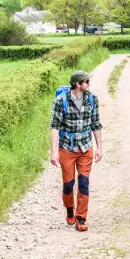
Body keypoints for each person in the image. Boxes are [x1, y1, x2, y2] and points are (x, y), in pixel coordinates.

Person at [50, 70, 103, 232]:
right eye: (87, 81)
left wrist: (99, 146)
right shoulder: (61, 100)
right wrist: (53, 152)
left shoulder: (92, 99)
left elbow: (96, 123)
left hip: (86, 147)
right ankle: (69, 210)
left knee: (84, 183)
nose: (89, 84)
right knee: (68, 184)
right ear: (78, 84)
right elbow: (55, 127)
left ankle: (81, 218)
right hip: (67, 147)